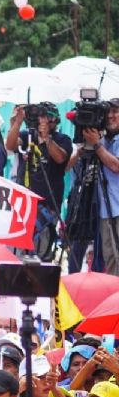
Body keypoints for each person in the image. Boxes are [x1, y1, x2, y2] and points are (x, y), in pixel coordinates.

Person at [5, 102, 73, 256]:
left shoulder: (63, 139)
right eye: (39, 116)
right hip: (25, 203)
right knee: (19, 248)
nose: (42, 120)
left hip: (47, 204)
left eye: (45, 116)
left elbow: (60, 157)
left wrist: (46, 138)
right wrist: (17, 123)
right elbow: (10, 145)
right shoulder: (27, 135)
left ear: (54, 120)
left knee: (40, 250)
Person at [78, 99, 119, 273]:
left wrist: (96, 144)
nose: (110, 116)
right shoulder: (104, 140)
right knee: (110, 258)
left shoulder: (103, 143)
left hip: (117, 208)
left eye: (115, 111)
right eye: (107, 112)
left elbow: (116, 166)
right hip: (105, 209)